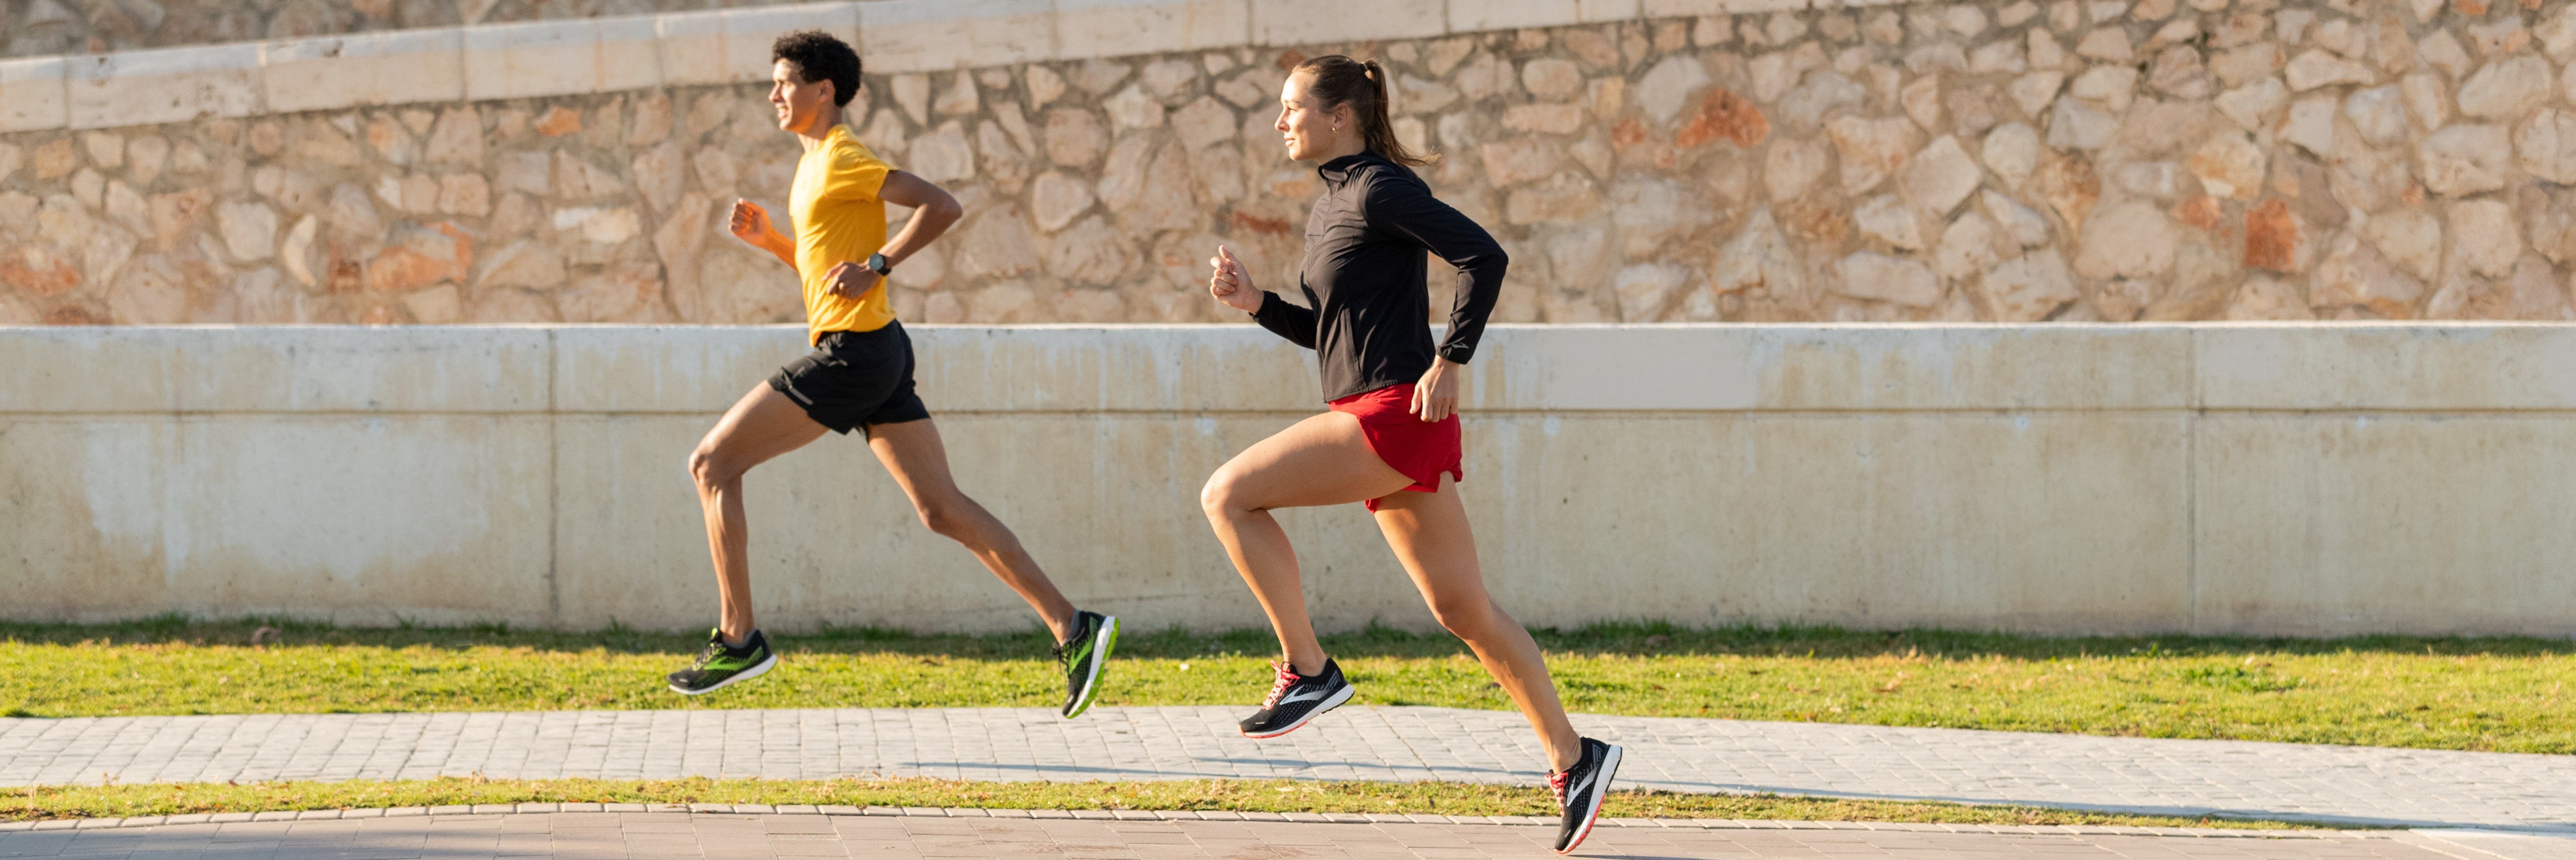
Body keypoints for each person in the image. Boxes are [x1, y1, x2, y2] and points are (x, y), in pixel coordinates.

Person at [1200, 55, 1623, 854]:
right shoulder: (1334, 204)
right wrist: (1257, 305)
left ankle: (1309, 670)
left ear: (1340, 117)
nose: (1281, 121)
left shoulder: (1380, 189)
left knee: (1228, 496)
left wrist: (1452, 357)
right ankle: (1577, 758)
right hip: (1378, 410)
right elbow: (1330, 335)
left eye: (1293, 108)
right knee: (1463, 610)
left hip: (1396, 411)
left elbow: (1484, 257)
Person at [670, 30, 1119, 720]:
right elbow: (830, 277)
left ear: (824, 91)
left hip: (854, 353)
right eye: (774, 82)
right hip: (876, 346)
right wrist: (773, 244)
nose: (774, 94)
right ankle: (1073, 627)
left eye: (785, 82)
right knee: (941, 508)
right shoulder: (812, 163)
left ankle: (740, 638)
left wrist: (881, 263)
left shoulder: (845, 155)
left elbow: (942, 205)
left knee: (712, 464)